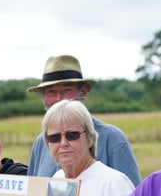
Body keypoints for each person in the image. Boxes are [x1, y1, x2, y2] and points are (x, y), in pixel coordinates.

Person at [26, 54, 141, 187]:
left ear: (84, 92)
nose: (58, 99)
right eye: (51, 92)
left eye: (66, 90)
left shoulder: (113, 138)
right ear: (44, 97)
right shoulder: (41, 142)